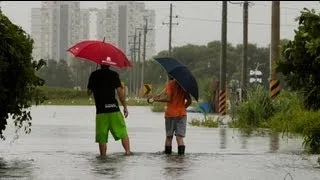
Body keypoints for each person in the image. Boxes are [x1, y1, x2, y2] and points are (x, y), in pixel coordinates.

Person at [87, 64, 132, 157]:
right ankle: (128, 152)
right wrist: (125, 107)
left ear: (100, 64)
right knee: (123, 132)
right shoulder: (114, 74)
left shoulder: (94, 75)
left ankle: (103, 156)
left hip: (101, 112)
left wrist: (93, 84)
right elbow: (120, 92)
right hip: (114, 109)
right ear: (109, 64)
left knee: (102, 137)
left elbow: (88, 93)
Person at [151, 75, 192, 155]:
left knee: (169, 137)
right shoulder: (184, 86)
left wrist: (156, 99)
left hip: (170, 114)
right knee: (179, 137)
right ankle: (181, 158)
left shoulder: (170, 84)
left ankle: (167, 157)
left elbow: (168, 98)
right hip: (181, 114)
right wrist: (182, 108)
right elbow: (189, 101)